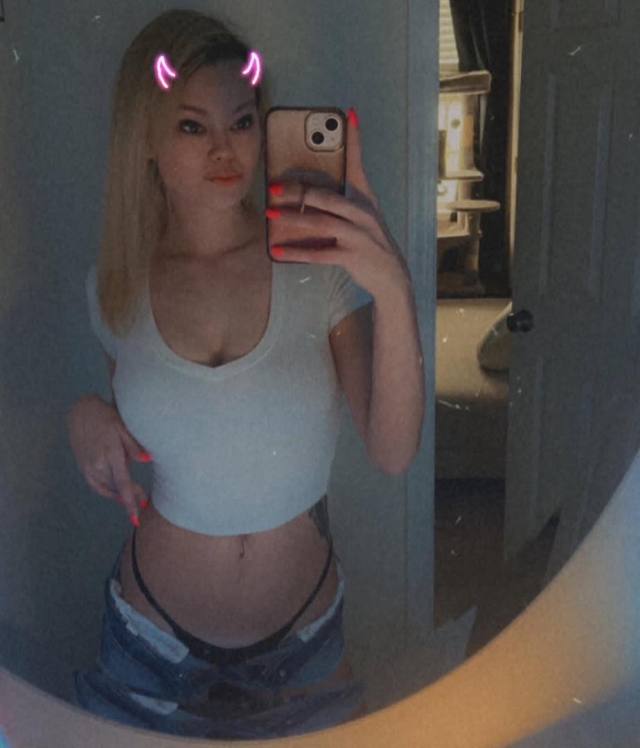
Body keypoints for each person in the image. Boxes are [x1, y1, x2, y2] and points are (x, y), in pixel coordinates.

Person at [68, 8, 424, 741]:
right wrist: (86, 416)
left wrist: (392, 285)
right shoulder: (115, 288)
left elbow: (392, 452)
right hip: (148, 641)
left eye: (242, 120)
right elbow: (174, 427)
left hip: (302, 642)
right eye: (191, 125)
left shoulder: (315, 268)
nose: (225, 147)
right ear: (146, 140)